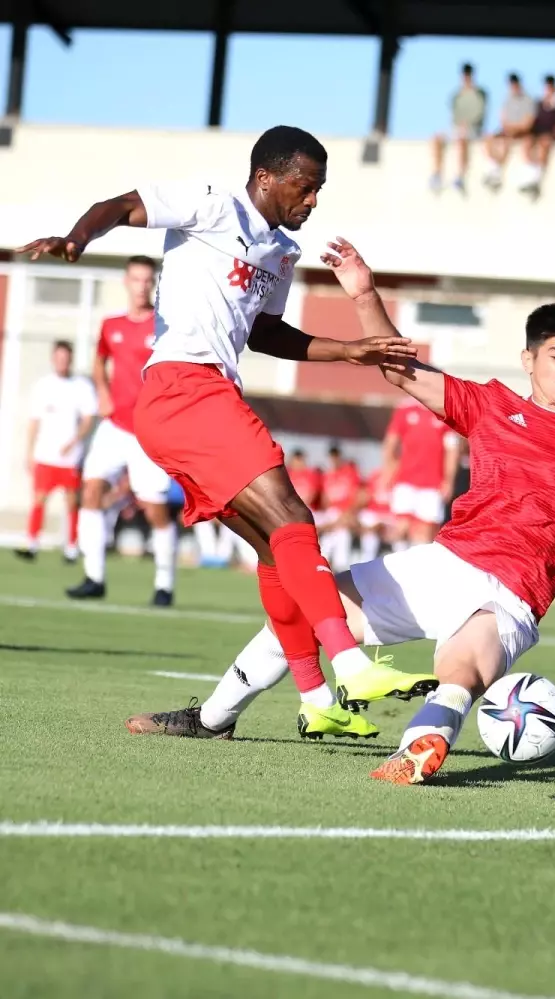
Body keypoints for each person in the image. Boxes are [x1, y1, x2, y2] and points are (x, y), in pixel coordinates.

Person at [128, 243, 555, 788]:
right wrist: (365, 294)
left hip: (513, 595)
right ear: (530, 360)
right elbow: (399, 370)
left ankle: (419, 746)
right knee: (307, 608)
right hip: (444, 564)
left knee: (461, 670)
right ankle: (213, 719)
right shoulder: (492, 404)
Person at [18, 124, 435, 743]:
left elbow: (268, 333)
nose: (313, 201)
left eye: (319, 190)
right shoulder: (213, 204)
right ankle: (350, 662)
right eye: (305, 186)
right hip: (184, 387)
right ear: (266, 176)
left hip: (196, 400)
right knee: (295, 518)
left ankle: (318, 699)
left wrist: (350, 350)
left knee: (276, 548)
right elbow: (119, 206)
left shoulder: (280, 252)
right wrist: (78, 239)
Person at [67, 255, 178, 605]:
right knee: (90, 491)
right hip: (113, 427)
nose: (142, 286)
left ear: (154, 284)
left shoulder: (165, 326)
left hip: (148, 431)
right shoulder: (110, 325)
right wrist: (101, 390)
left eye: (148, 280)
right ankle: (94, 576)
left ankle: (164, 584)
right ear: (126, 283)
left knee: (154, 509)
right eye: (136, 279)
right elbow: (99, 361)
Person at [15, 341, 97, 562]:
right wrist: (30, 452)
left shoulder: (81, 386)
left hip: (70, 457)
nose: (62, 361)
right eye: (58, 357)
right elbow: (34, 421)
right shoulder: (43, 386)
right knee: (39, 498)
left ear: (70, 359)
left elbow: (89, 418)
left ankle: (71, 546)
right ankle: (31, 543)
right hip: (46, 454)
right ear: (53, 359)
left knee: (72, 501)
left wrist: (75, 440)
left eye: (66, 358)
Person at [381, 394, 462, 547]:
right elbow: (390, 443)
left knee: (424, 532)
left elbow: (452, 451)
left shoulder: (445, 414)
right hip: (405, 480)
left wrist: (448, 480)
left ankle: (416, 568)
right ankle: (395, 567)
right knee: (400, 527)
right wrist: (388, 472)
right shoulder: (406, 409)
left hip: (432, 483)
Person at [431, 63, 487, 194]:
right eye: (464, 74)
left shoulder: (480, 94)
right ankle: (437, 174)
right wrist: (459, 124)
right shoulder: (457, 95)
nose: (466, 77)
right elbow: (454, 115)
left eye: (468, 74)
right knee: (437, 138)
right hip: (457, 128)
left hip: (473, 130)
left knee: (462, 139)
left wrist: (467, 124)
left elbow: (479, 113)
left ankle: (460, 176)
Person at [482, 73, 536, 191]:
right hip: (508, 133)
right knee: (490, 138)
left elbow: (527, 123)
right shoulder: (507, 100)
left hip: (522, 134)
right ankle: (494, 169)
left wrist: (514, 128)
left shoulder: (528, 100)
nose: (513, 86)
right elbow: (503, 120)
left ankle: (529, 177)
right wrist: (510, 128)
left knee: (518, 142)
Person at [315, 444, 362, 572]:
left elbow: (357, 497)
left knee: (342, 535)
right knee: (327, 537)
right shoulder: (327, 476)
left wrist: (346, 516)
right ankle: (321, 566)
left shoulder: (349, 473)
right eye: (332, 457)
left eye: (336, 456)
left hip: (345, 514)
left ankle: (341, 569)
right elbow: (325, 502)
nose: (334, 459)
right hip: (331, 515)